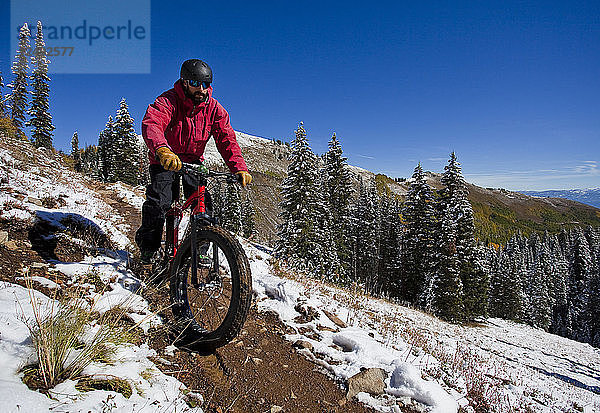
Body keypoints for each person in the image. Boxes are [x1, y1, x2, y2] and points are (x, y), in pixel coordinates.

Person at [135, 59, 252, 263]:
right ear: (184, 82)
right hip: (165, 158)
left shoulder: (214, 109)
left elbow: (227, 139)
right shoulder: (168, 101)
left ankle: (199, 248)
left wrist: (239, 168)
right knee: (159, 203)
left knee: (203, 204)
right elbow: (152, 123)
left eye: (205, 85)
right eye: (196, 83)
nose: (201, 89)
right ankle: (148, 249)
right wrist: (162, 150)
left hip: (193, 161)